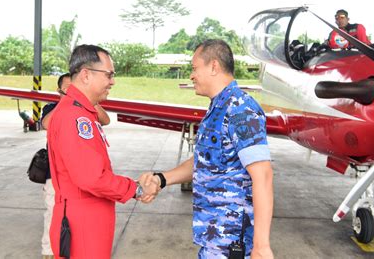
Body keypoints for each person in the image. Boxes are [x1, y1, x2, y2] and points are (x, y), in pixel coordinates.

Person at [140, 39, 274, 259]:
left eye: (194, 69)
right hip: (213, 239)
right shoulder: (218, 107)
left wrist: (261, 245)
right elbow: (204, 161)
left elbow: (263, 175)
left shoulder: (241, 109)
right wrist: (162, 179)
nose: (192, 76)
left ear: (213, 66)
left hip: (233, 243)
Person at [47, 44, 157, 259]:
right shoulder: (74, 117)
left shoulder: (81, 112)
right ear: (86, 75)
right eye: (109, 74)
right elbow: (91, 178)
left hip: (88, 220)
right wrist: (134, 188)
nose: (112, 81)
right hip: (83, 225)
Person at [40, 72, 110, 259]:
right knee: (53, 211)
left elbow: (106, 119)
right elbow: (46, 124)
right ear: (59, 90)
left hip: (81, 176)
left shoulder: (87, 109)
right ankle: (49, 250)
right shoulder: (52, 108)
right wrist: (67, 100)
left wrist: (89, 101)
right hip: (56, 176)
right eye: (67, 88)